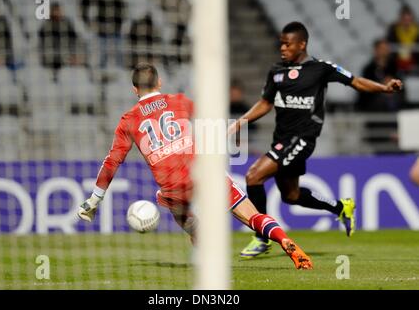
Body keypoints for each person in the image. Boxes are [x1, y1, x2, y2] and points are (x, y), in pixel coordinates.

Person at [78, 62, 312, 270]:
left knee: (179, 211)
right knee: (252, 217)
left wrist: (94, 200)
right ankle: (284, 241)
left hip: (173, 187)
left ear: (134, 90)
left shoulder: (128, 120)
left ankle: (202, 247)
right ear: (160, 82)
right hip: (204, 174)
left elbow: (113, 161)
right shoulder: (179, 101)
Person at [228, 21, 403, 258]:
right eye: (281, 42)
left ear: (302, 44)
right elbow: (265, 103)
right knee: (291, 196)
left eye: (287, 43)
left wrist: (384, 88)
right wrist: (240, 122)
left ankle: (262, 237)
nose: (282, 47)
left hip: (303, 138)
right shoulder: (277, 71)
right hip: (281, 140)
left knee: (253, 176)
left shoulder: (321, 68)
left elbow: (356, 81)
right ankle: (340, 207)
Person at [357, 38, 402, 112]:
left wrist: (393, 84)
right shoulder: (369, 69)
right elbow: (364, 89)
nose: (384, 51)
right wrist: (382, 86)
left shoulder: (394, 67)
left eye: (386, 48)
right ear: (376, 50)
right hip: (374, 102)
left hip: (392, 99)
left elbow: (401, 85)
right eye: (382, 48)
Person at [387, 5, 419, 74]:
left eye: (409, 20)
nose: (406, 22)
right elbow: (389, 44)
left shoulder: (417, 29)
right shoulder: (393, 29)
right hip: (397, 60)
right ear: (400, 19)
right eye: (404, 20)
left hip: (415, 59)